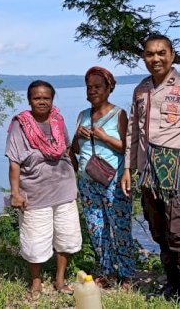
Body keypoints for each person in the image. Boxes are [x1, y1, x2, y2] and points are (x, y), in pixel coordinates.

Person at [120, 34, 180, 308]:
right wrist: (128, 168)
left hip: (177, 170)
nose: (155, 59)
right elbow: (134, 132)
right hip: (147, 171)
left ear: (172, 54)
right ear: (144, 57)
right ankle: (172, 282)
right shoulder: (140, 89)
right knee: (158, 229)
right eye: (149, 54)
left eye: (161, 53)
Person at [5, 80, 82, 300]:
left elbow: (67, 150)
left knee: (65, 238)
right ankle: (36, 283)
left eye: (46, 98)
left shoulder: (58, 120)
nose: (42, 101)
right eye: (37, 98)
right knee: (35, 241)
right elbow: (14, 162)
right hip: (35, 193)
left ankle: (59, 280)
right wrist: (15, 193)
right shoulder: (20, 125)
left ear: (52, 99)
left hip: (64, 190)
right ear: (29, 100)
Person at [69, 66, 134, 289]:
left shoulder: (119, 114)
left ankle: (126, 274)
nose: (92, 91)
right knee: (97, 229)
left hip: (113, 181)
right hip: (88, 182)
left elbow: (127, 148)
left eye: (97, 87)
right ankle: (107, 271)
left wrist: (104, 137)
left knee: (120, 227)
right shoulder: (82, 116)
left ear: (109, 88)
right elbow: (76, 149)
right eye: (89, 87)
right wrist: (78, 136)